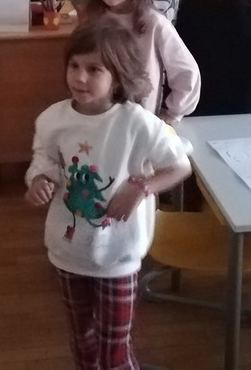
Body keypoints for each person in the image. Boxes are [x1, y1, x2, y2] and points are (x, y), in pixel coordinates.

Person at [24, 18, 191, 369]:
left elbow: (179, 166)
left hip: (119, 256)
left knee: (114, 353)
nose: (80, 77)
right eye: (74, 66)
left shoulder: (138, 123)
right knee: (82, 341)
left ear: (117, 75)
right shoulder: (52, 120)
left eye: (94, 69)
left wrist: (141, 188)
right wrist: (38, 181)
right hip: (68, 253)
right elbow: (44, 162)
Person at [83, 0, 200, 123]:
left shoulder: (154, 23)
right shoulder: (93, 21)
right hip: (99, 119)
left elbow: (186, 71)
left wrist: (174, 111)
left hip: (141, 121)